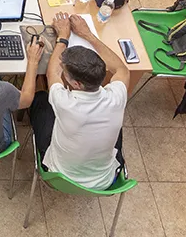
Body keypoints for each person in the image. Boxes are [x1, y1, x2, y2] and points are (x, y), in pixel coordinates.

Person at [30, 12, 128, 190]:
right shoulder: (117, 97)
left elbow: (51, 73)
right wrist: (88, 34)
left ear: (75, 83)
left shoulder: (65, 103)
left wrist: (63, 37)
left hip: (59, 176)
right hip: (104, 181)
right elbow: (121, 68)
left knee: (41, 99)